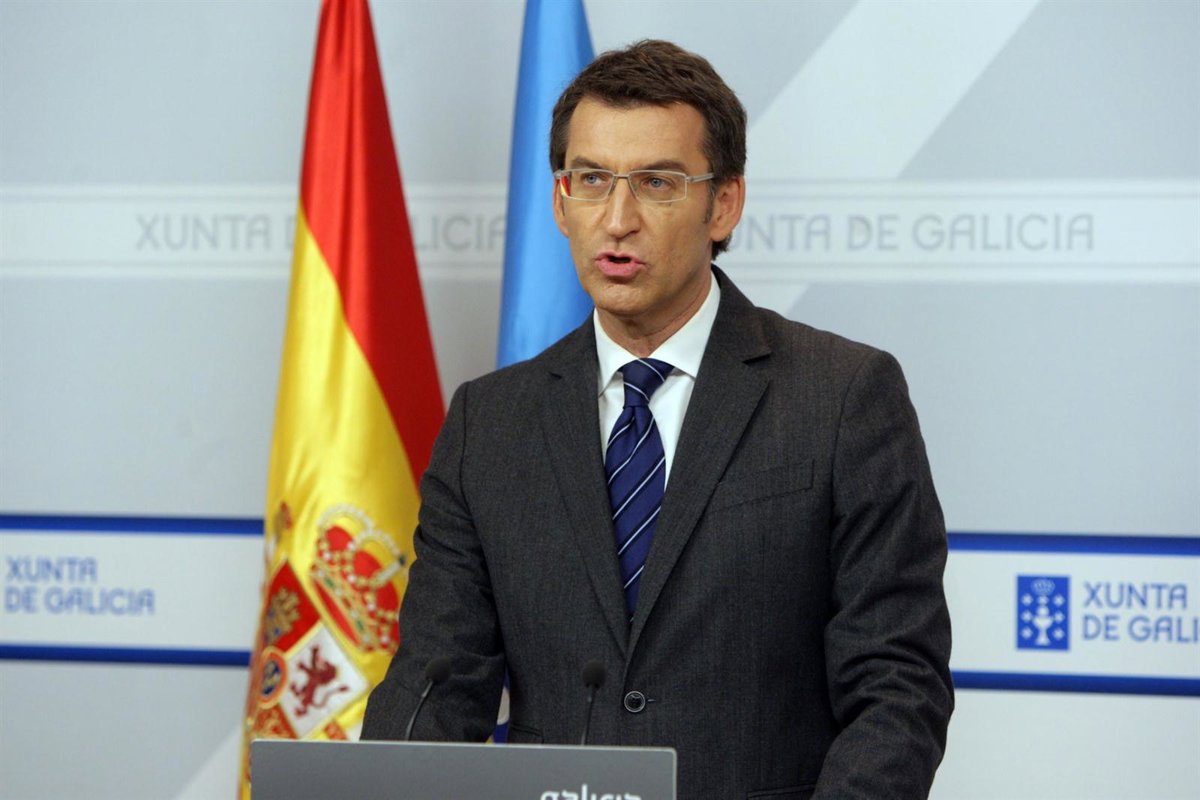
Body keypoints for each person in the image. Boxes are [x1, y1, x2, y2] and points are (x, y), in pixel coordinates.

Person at [363, 39, 953, 799]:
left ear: (724, 203)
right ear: (560, 202)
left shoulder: (842, 397)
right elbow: (438, 683)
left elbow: (897, 685)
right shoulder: (491, 423)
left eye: (657, 183)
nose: (618, 219)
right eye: (591, 180)